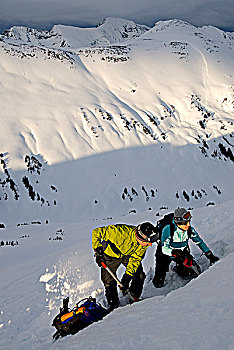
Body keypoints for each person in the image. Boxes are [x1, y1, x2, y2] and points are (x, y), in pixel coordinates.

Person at [92, 222, 157, 311]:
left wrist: (127, 277)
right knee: (109, 281)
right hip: (110, 255)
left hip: (127, 255)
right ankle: (113, 304)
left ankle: (133, 296)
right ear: (140, 238)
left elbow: (135, 259)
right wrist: (98, 252)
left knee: (139, 275)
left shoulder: (144, 243)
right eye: (148, 242)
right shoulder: (119, 233)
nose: (150, 245)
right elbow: (97, 232)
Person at [153, 207, 219, 288]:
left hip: (181, 253)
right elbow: (164, 248)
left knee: (193, 273)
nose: (188, 225)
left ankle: (178, 269)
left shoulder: (189, 229)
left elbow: (199, 241)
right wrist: (173, 252)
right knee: (158, 283)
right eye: (185, 223)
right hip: (164, 255)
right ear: (178, 222)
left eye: (188, 222)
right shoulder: (168, 229)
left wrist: (209, 254)